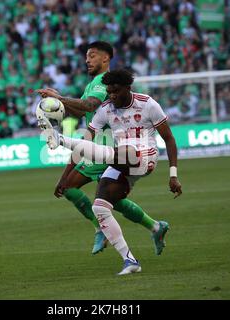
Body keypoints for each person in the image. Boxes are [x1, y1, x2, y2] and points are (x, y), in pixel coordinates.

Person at [38, 69, 182, 275]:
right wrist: (64, 178)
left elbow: (169, 139)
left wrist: (173, 174)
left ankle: (61, 139)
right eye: (109, 91)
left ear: (127, 88)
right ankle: (130, 260)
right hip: (120, 161)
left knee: (126, 152)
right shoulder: (105, 109)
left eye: (116, 91)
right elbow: (86, 142)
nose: (112, 95)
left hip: (145, 157)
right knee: (100, 208)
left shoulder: (147, 103)